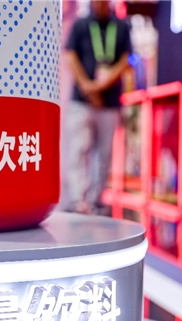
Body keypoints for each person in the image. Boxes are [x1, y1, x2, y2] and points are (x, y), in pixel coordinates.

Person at [62, 0, 132, 214]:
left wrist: (102, 85)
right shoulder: (81, 24)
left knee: (104, 153)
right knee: (79, 148)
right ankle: (78, 199)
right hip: (82, 101)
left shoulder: (121, 26)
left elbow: (125, 60)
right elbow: (71, 56)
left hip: (109, 102)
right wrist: (87, 86)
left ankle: (96, 200)